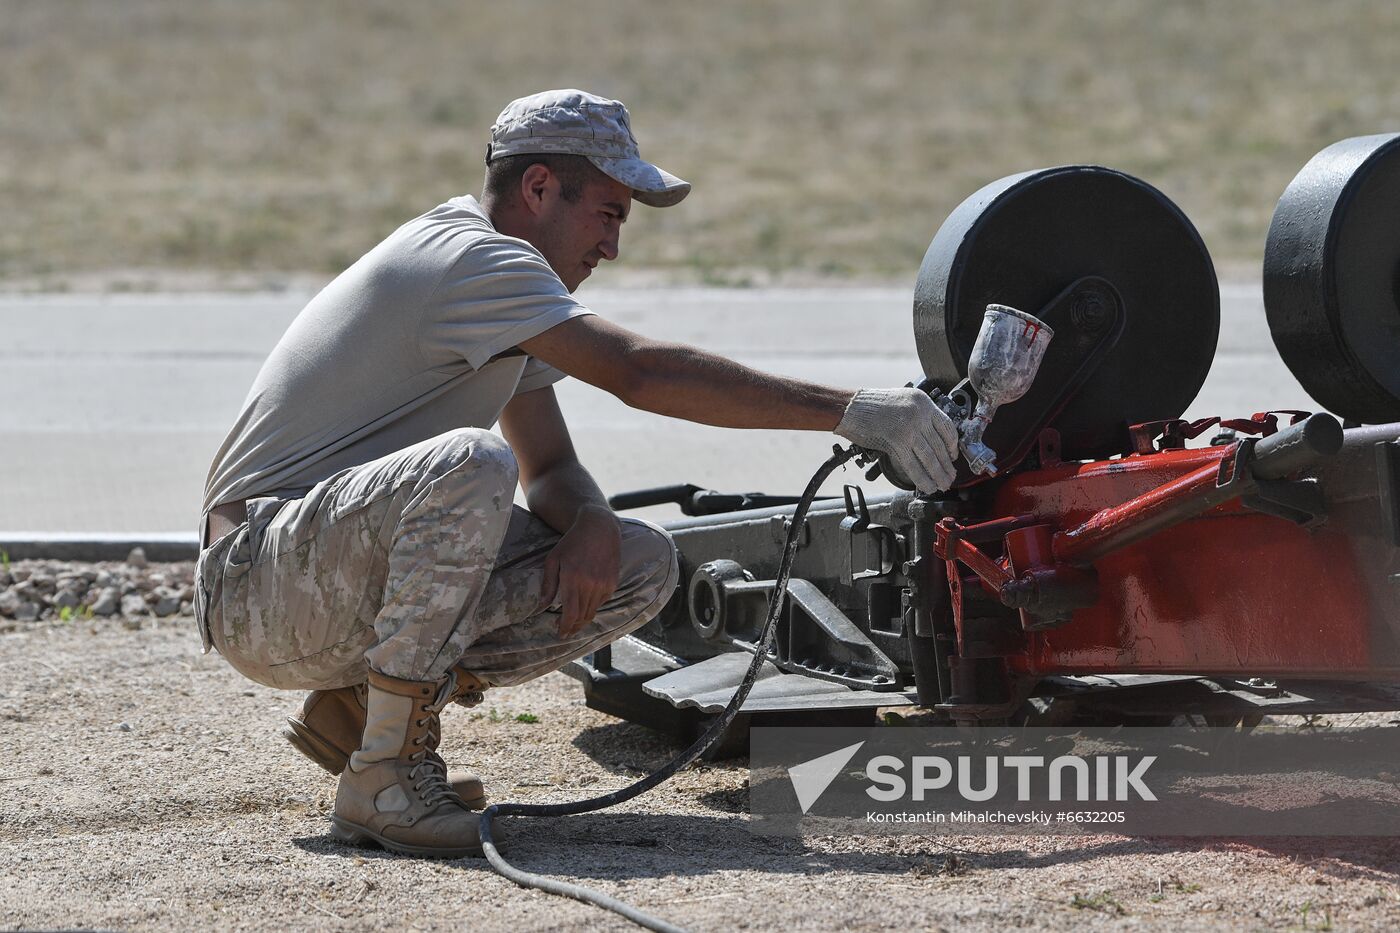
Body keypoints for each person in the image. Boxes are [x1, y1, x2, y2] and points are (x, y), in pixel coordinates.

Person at [194, 89, 959, 859]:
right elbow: (639, 371)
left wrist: (591, 521)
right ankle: (384, 776)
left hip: (315, 574)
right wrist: (853, 409)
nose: (613, 246)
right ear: (536, 189)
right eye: (608, 213)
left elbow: (552, 468)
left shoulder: (506, 291)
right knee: (471, 461)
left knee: (639, 562)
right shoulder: (473, 259)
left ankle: (371, 711)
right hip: (256, 583)